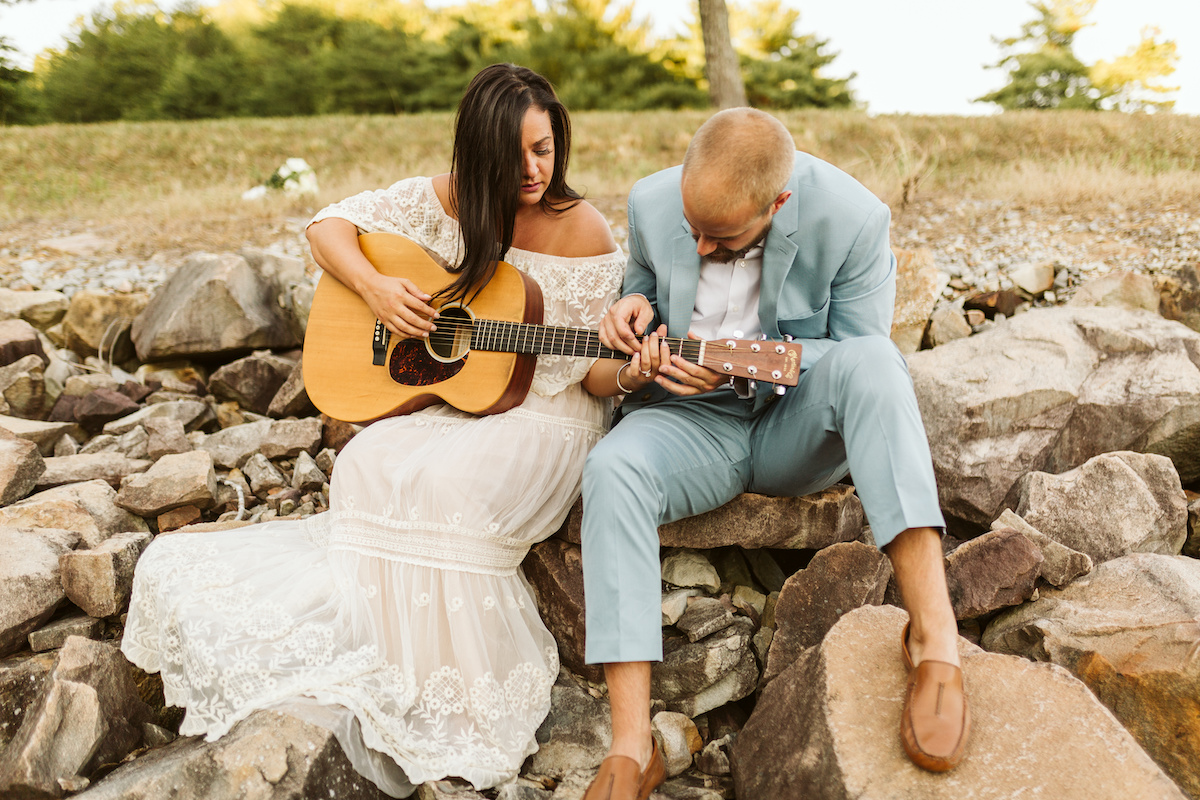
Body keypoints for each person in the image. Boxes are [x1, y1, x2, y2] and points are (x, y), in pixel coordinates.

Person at [121, 64, 633, 798]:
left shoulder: (580, 228)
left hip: (550, 414)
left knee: (445, 486)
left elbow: (591, 373)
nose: (531, 170)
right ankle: (371, 651)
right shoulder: (449, 199)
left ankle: (444, 692)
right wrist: (377, 286)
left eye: (545, 149)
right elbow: (325, 225)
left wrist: (634, 372)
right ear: (475, 153)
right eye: (514, 154)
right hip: (466, 402)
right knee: (368, 463)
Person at [579, 108, 969, 800]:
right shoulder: (648, 200)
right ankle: (632, 746)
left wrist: (741, 361)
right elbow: (638, 293)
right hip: (689, 422)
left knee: (879, 364)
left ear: (778, 203)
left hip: (795, 425)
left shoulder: (853, 217)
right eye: (690, 228)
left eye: (720, 237)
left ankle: (934, 641)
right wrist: (629, 315)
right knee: (612, 468)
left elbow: (856, 352)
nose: (698, 248)